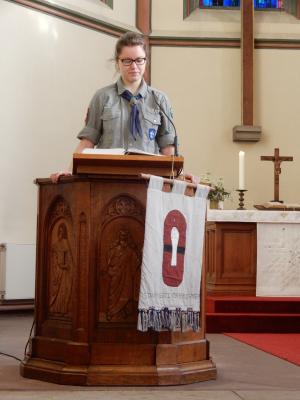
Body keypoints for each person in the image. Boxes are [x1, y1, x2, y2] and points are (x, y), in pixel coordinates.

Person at [50, 31, 176, 183]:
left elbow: (167, 148)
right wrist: (70, 171)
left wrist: (177, 176)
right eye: (127, 61)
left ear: (146, 61)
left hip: (147, 183)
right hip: (106, 181)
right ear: (117, 62)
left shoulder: (160, 99)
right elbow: (88, 140)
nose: (134, 66)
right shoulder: (102, 97)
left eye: (139, 60)